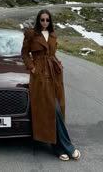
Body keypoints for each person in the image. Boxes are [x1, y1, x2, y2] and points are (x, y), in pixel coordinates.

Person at [21, 9, 81, 161]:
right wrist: (33, 68)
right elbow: (24, 54)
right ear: (38, 20)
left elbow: (53, 54)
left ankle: (57, 147)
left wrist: (58, 64)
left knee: (58, 109)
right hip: (40, 76)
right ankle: (67, 147)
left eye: (47, 20)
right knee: (52, 110)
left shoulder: (53, 35)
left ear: (50, 21)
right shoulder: (31, 34)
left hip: (54, 75)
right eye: (42, 20)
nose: (45, 23)